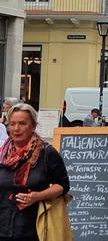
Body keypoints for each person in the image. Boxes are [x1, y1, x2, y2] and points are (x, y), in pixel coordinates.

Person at [0, 103, 70, 241]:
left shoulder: (47, 153)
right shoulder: (2, 154)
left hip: (34, 230)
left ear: (33, 126)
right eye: (12, 124)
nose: (16, 128)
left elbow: (63, 185)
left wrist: (38, 196)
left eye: (22, 123)